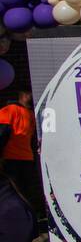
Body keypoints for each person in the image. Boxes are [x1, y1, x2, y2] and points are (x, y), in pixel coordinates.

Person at [0, 90, 41, 221]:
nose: (31, 96)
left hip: (25, 158)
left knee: (23, 191)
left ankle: (24, 218)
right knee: (16, 190)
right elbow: (2, 132)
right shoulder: (10, 110)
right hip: (11, 157)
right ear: (22, 95)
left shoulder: (30, 114)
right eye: (29, 94)